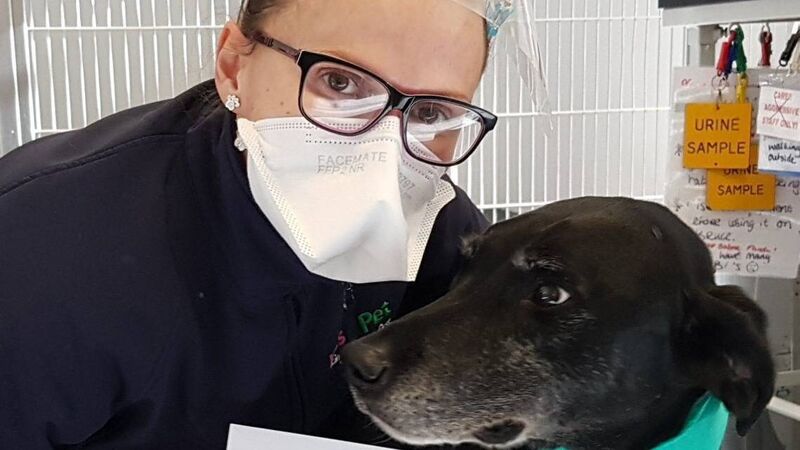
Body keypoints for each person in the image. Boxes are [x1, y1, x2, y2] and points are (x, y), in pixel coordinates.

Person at [0, 0, 515, 448]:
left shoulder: (440, 232)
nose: (381, 151)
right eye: (339, 82)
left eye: (430, 114)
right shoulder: (42, 260)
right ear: (233, 66)